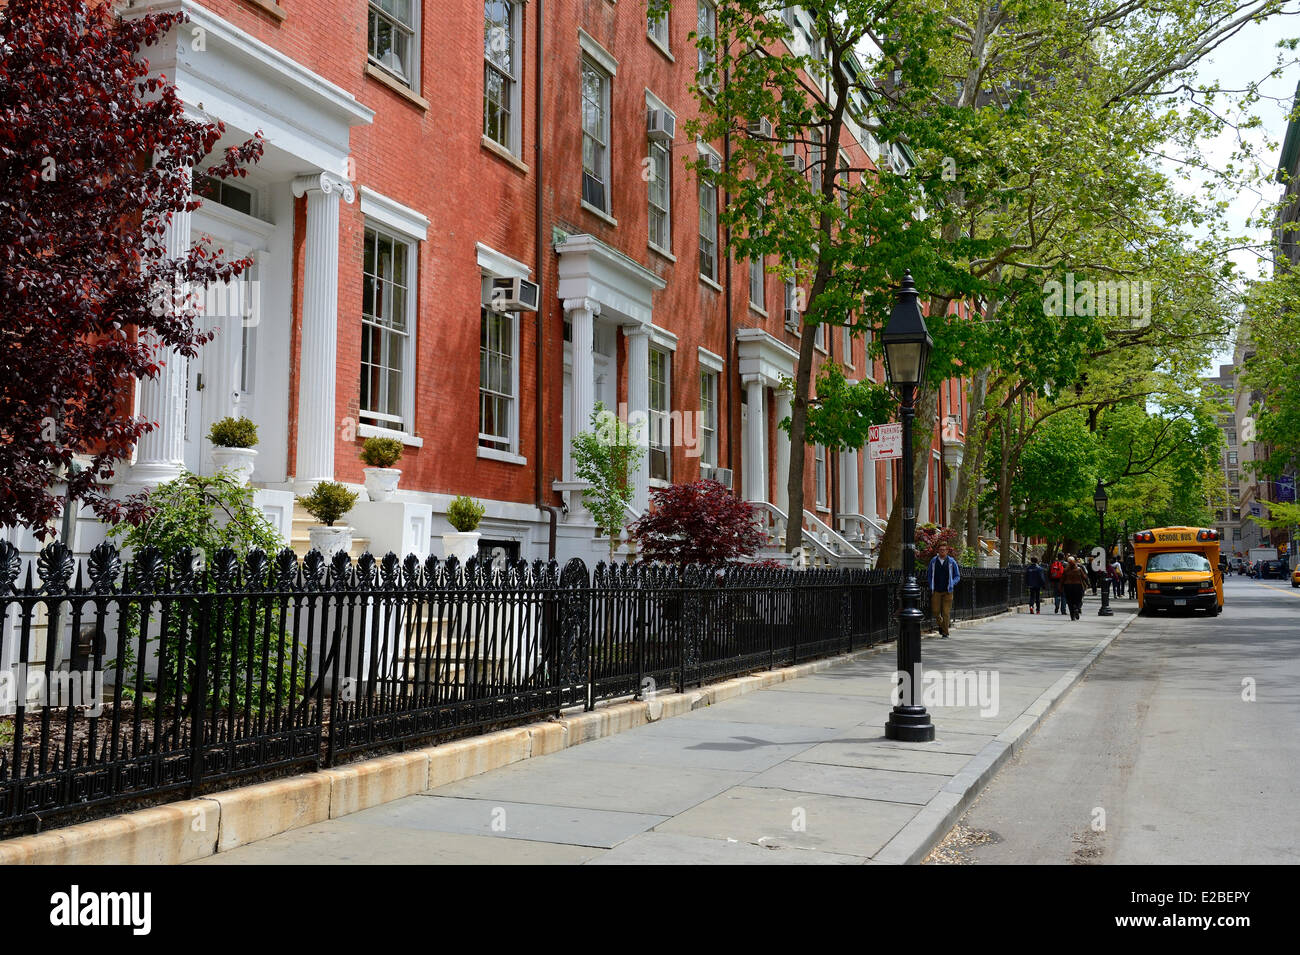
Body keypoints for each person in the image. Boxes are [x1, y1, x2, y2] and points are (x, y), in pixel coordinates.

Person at [927, 542, 961, 638]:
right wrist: (931, 584)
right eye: (941, 550)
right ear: (938, 551)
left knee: (945, 613)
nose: (942, 551)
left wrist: (952, 583)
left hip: (948, 591)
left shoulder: (951, 561)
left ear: (947, 551)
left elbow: (957, 576)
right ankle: (942, 626)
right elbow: (929, 575)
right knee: (936, 612)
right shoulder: (933, 561)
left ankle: (945, 633)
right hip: (936, 590)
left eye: (944, 550)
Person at [1061, 556, 1088, 620]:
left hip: (1068, 586)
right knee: (1078, 600)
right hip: (1078, 586)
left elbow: (1062, 580)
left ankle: (1072, 616)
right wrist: (1087, 583)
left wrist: (1060, 587)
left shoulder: (1065, 570)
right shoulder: (1079, 569)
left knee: (1070, 601)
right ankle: (1076, 608)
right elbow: (1084, 577)